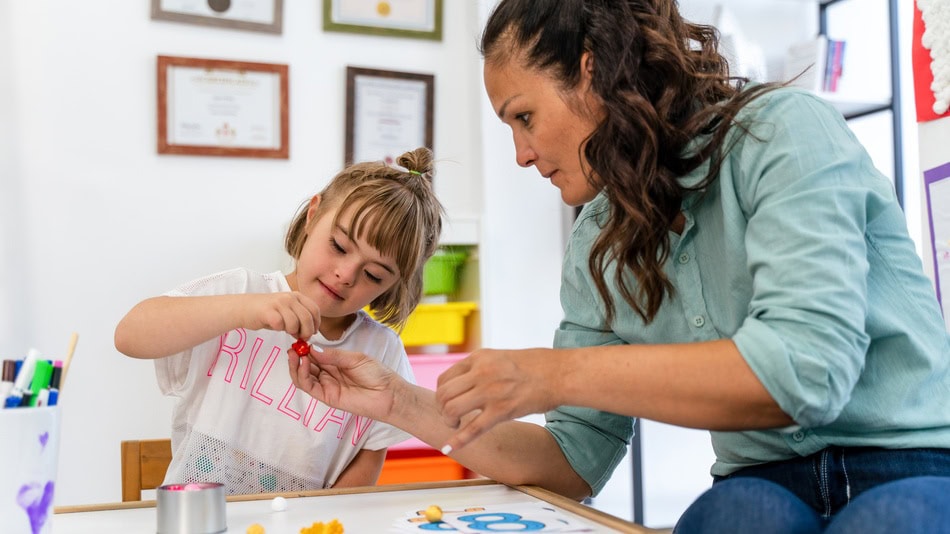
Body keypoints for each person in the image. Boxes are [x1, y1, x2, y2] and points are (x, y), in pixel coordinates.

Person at [290, 1, 950, 532]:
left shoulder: (782, 132)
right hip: (762, 483)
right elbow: (571, 465)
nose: (521, 154)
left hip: (913, 461)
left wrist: (552, 375)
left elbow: (807, 371)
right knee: (732, 519)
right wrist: (400, 402)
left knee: (894, 519)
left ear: (592, 72)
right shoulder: (596, 244)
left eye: (524, 116)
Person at [115, 147, 443, 494]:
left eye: (374, 275)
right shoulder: (240, 292)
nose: (345, 274)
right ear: (313, 216)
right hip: (199, 520)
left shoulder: (381, 352)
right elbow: (129, 335)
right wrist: (245, 310)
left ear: (395, 284)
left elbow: (365, 464)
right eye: (339, 246)